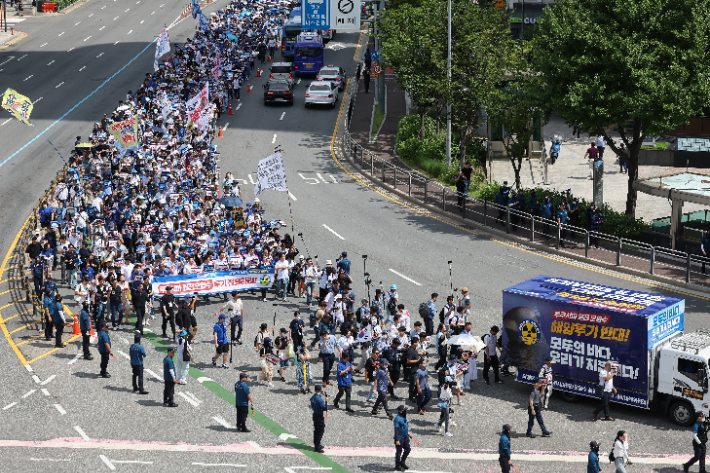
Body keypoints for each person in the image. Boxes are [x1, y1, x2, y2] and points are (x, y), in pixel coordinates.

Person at [310, 385, 328, 454]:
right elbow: (324, 408)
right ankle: (317, 447)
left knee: (316, 430)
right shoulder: (320, 399)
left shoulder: (312, 398)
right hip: (319, 416)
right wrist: (326, 401)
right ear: (320, 390)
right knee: (320, 431)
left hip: (315, 414)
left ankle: (316, 443)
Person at [393, 405, 412, 472]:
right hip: (400, 438)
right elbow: (396, 429)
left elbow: (404, 426)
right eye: (404, 410)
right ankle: (397, 465)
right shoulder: (397, 419)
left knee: (408, 449)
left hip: (405, 437)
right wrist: (397, 439)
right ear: (400, 411)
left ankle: (402, 462)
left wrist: (407, 432)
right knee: (399, 452)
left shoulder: (403, 417)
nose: (405, 412)